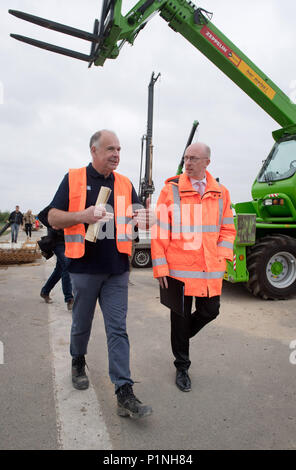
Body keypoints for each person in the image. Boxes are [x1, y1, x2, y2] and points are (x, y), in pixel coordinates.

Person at [47, 129, 153, 419]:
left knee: (117, 329)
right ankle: (78, 360)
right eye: (110, 149)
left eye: (119, 149)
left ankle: (124, 391)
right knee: (82, 323)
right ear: (93, 151)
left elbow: (137, 215)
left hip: (117, 269)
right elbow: (53, 216)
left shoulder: (124, 182)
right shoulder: (74, 178)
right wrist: (82, 216)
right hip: (83, 268)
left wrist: (144, 217)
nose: (116, 154)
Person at [151, 142, 236, 392]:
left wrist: (222, 257)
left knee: (211, 311)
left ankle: (180, 338)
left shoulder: (221, 192)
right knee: (179, 318)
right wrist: (161, 267)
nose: (188, 163)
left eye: (194, 158)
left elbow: (227, 229)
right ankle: (182, 366)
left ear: (207, 162)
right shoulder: (171, 190)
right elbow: (160, 231)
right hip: (178, 270)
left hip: (209, 269)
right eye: (186, 158)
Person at [38, 207, 74, 311]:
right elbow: (41, 215)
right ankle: (69, 299)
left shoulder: (73, 205)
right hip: (57, 242)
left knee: (59, 270)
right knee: (67, 265)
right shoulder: (58, 203)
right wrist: (53, 226)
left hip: (68, 241)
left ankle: (45, 291)